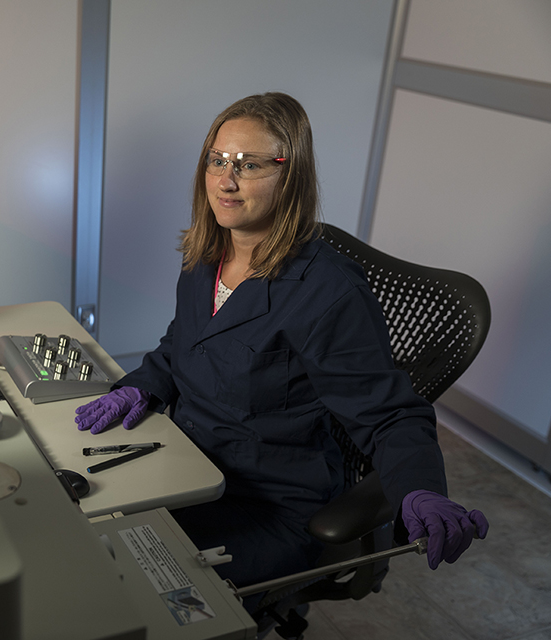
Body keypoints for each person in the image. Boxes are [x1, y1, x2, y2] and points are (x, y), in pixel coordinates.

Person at [74, 92, 488, 611]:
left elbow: (389, 414)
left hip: (267, 506)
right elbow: (186, 343)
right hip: (189, 469)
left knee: (131, 601)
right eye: (218, 161)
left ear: (290, 175)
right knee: (77, 545)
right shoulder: (209, 250)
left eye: (249, 166)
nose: (226, 180)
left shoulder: (328, 292)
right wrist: (142, 385)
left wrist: (421, 490)